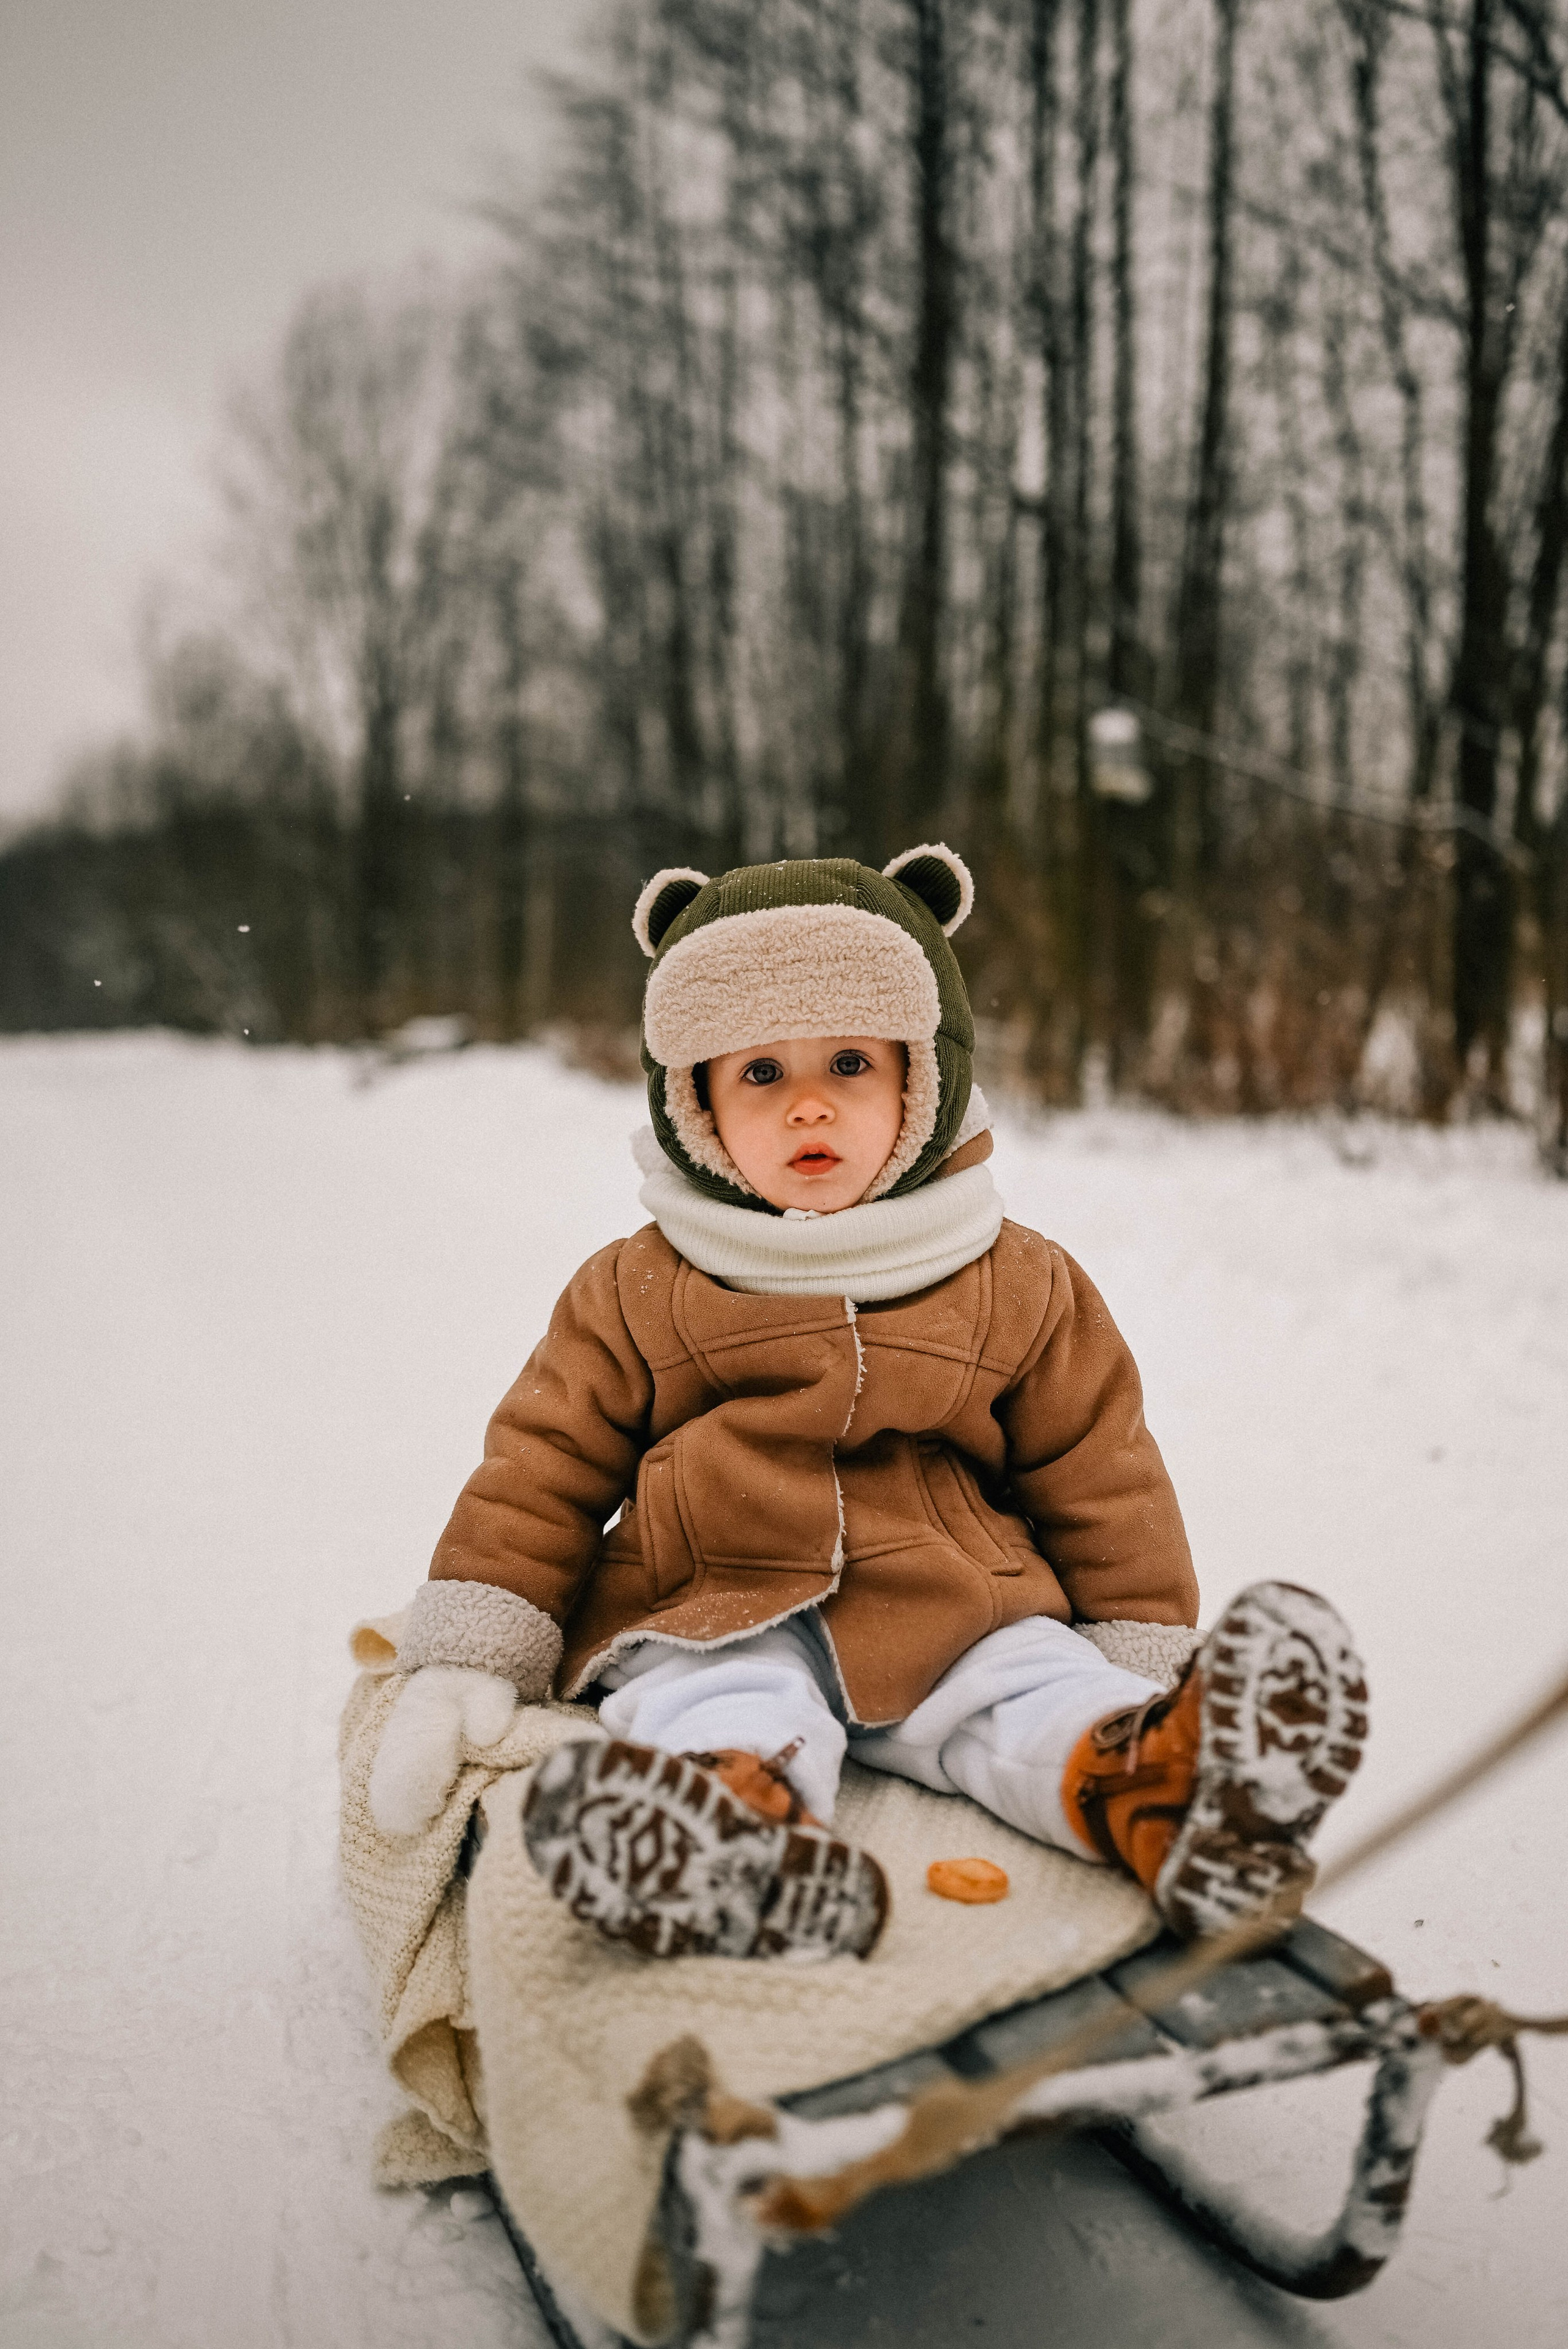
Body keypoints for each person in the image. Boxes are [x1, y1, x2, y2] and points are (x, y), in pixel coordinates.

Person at [371, 849, 1368, 1963]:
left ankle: (1158, 1782)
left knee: (1031, 1693)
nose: (808, 1102)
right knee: (719, 1699)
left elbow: (1101, 1473)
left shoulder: (1014, 1278)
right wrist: (478, 1645)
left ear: (922, 1078)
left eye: (850, 1060)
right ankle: (733, 1839)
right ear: (692, 1099)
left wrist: (1141, 1651)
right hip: (711, 1593)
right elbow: (543, 1465)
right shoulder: (639, 1283)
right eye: (759, 1073)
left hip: (951, 1605)